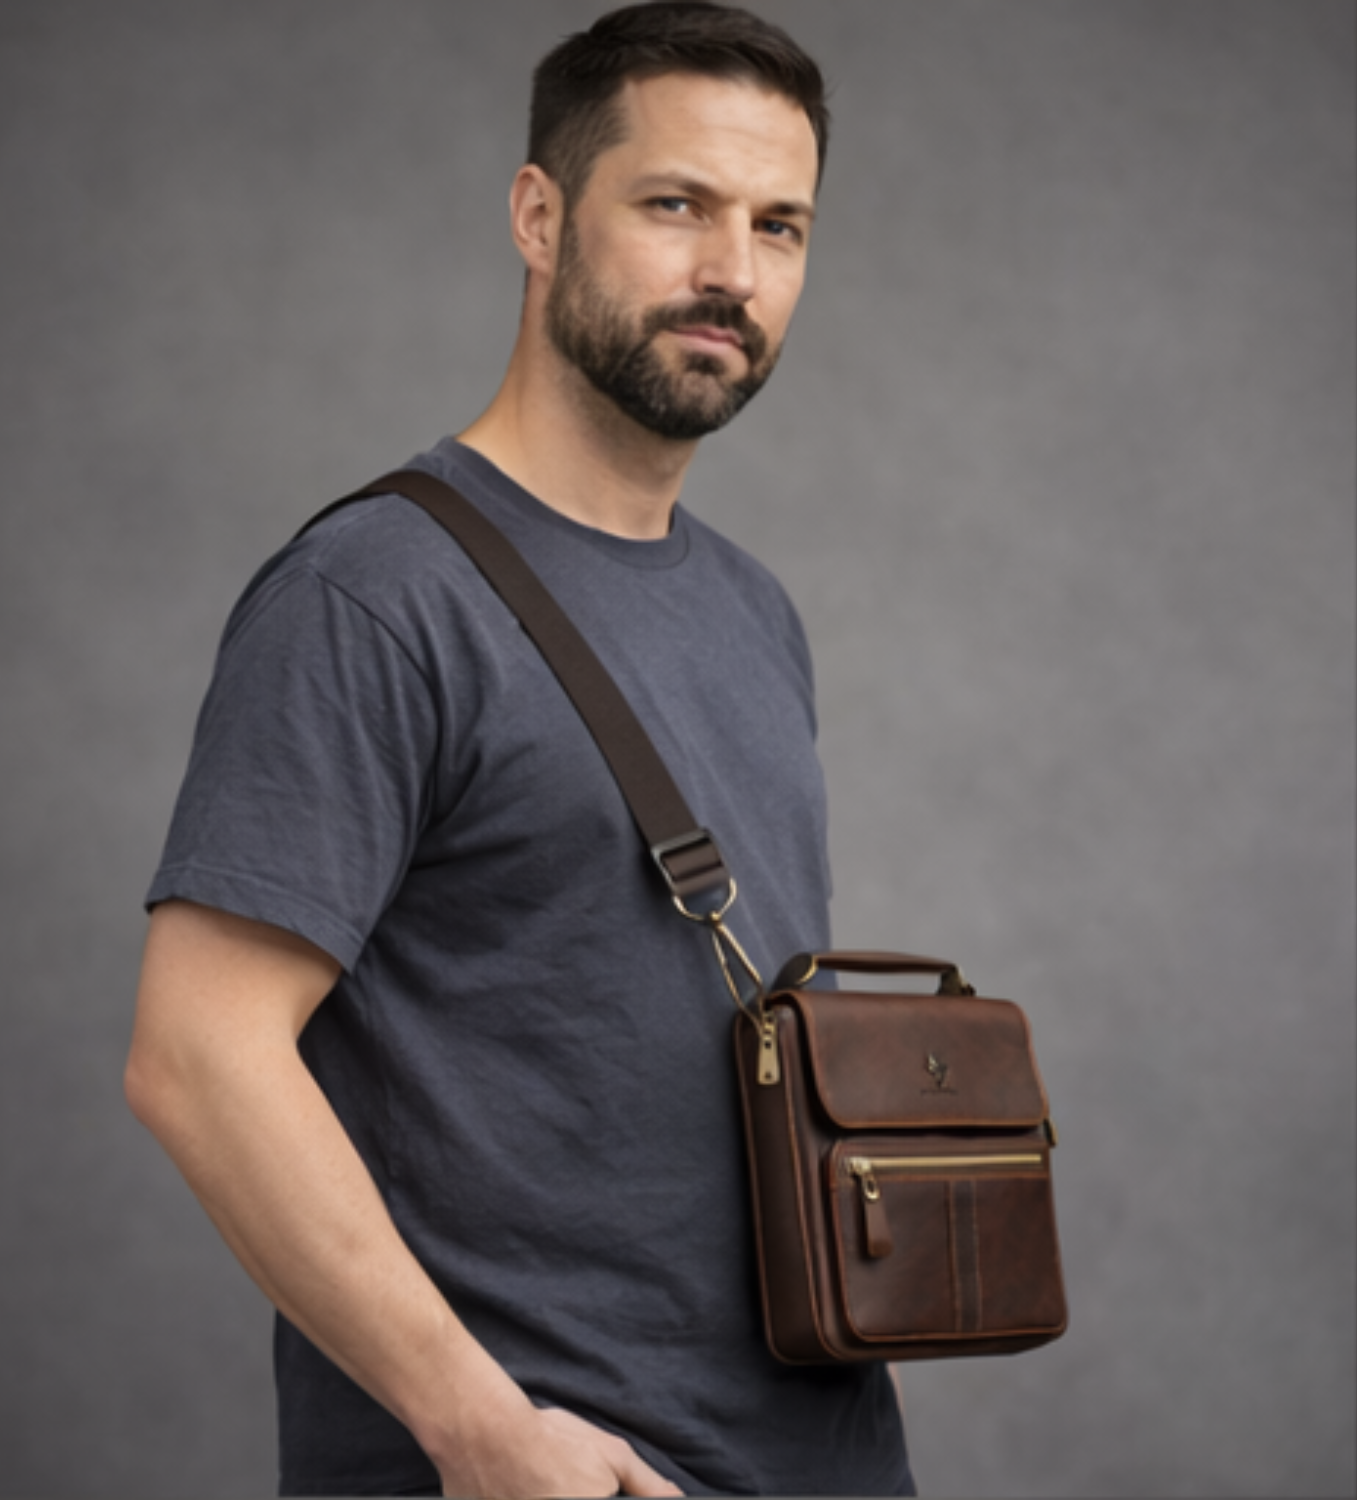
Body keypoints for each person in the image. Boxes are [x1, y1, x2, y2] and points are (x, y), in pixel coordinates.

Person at [126, 3, 913, 1494]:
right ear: (539, 217)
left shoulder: (755, 612)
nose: (733, 271)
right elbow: (197, 1057)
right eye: (675, 204)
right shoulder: (373, 594)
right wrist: (479, 1428)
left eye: (780, 226)